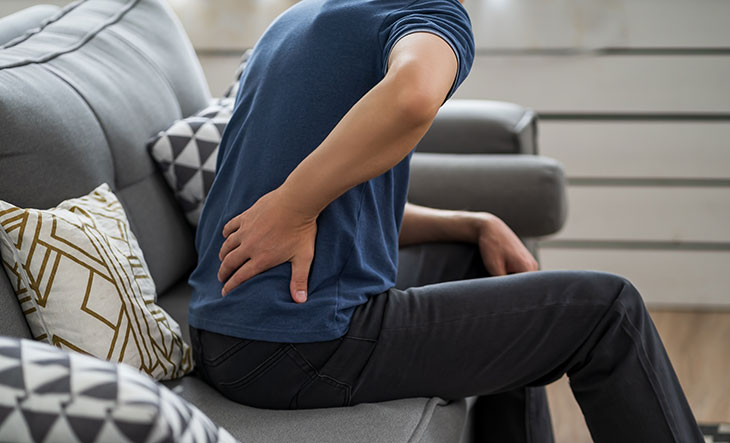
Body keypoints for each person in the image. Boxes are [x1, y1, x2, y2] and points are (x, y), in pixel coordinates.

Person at [187, 0, 705, 441]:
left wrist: (471, 223)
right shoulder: (428, 13)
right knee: (609, 311)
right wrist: (295, 207)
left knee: (482, 258)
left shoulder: (299, 18)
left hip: (224, 335)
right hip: (298, 347)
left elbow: (342, 210)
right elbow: (413, 94)